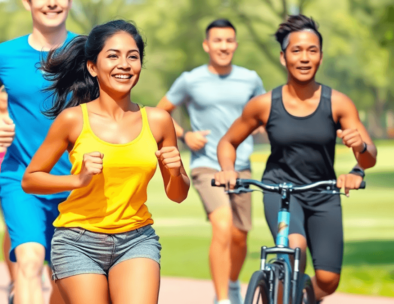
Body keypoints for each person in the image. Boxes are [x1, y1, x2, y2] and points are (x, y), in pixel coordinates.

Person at [21, 20, 190, 304]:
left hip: (136, 240)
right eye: (113, 55)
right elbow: (30, 179)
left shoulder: (159, 121)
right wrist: (78, 179)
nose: (124, 64)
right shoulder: (73, 120)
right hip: (78, 242)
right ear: (92, 67)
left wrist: (176, 171)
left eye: (132, 56)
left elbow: (177, 195)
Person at [214, 15, 377, 302]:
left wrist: (359, 153)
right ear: (283, 57)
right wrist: (228, 169)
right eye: (296, 50)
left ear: (321, 57)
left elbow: (369, 158)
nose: (304, 58)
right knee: (295, 246)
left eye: (312, 51)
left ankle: (301, 297)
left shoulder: (338, 103)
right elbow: (229, 141)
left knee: (328, 280)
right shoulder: (264, 104)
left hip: (323, 193)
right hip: (280, 191)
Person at [0, 1, 75, 303]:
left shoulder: (87, 51)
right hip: (22, 179)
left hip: (77, 183)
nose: (52, 2)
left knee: (64, 278)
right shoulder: (4, 55)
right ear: (26, 3)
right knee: (28, 262)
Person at [156, 19, 265, 304]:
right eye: (218, 40)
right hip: (206, 165)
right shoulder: (191, 79)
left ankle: (231, 285)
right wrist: (185, 135)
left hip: (241, 165)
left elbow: (263, 113)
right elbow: (160, 112)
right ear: (207, 45)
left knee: (240, 235)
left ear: (236, 45)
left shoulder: (250, 79)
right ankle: (222, 299)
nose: (224, 46)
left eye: (229, 41)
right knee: (223, 224)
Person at [0, 87, 19, 295]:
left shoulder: (20, 114)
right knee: (10, 229)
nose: (4, 96)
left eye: (7, 92)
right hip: (0, 181)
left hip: (24, 178)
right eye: (0, 92)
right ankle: (13, 279)